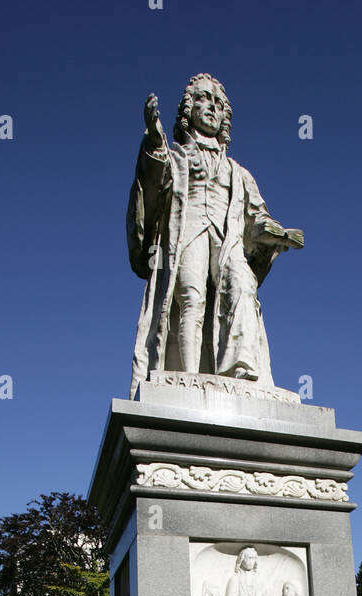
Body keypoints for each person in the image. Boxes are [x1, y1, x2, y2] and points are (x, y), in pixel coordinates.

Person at [127, 74, 304, 398]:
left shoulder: (238, 172)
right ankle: (189, 378)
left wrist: (277, 235)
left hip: (227, 241)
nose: (211, 107)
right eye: (203, 99)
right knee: (191, 299)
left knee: (240, 286)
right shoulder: (175, 157)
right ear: (188, 109)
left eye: (218, 103)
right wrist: (153, 141)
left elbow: (256, 218)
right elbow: (150, 188)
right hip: (188, 232)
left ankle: (240, 372)